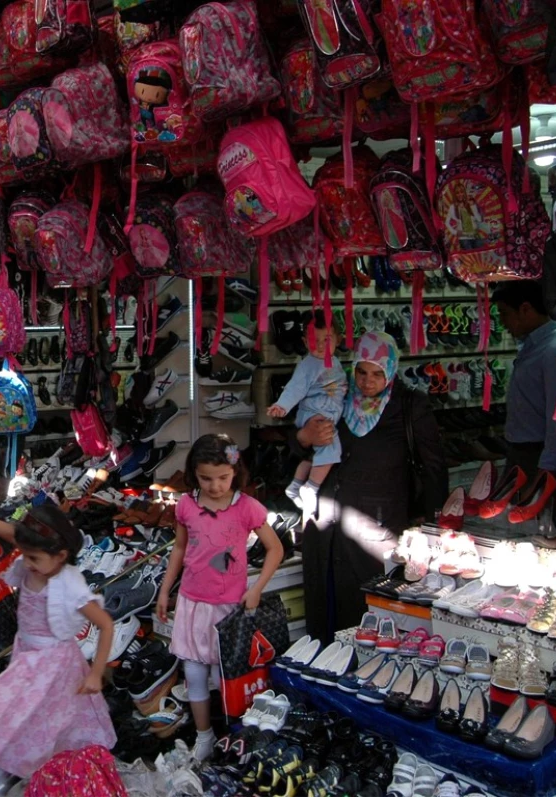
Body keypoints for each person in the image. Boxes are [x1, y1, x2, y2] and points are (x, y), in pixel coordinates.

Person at [0, 501, 117, 794]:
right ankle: (12, 771)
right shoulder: (34, 557)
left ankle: (28, 772)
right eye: (25, 555)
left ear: (61, 556)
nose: (27, 563)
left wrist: (96, 673)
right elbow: (12, 534)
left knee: (35, 718)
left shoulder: (71, 585)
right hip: (26, 655)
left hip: (53, 666)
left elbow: (107, 625)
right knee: (23, 714)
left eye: (34, 558)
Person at [297, 331, 447, 639]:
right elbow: (301, 448)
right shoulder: (335, 397)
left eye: (378, 373)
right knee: (324, 609)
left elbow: (433, 467)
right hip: (325, 525)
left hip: (376, 529)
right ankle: (324, 667)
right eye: (362, 372)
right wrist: (303, 438)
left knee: (369, 610)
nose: (367, 381)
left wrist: (432, 528)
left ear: (391, 370)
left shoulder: (408, 406)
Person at [156, 434, 284, 762]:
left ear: (235, 471)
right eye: (206, 479)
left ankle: (236, 738)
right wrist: (164, 589)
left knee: (225, 678)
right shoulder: (186, 505)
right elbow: (180, 549)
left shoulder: (247, 507)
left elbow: (276, 549)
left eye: (223, 478)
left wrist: (256, 589)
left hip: (230, 610)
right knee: (195, 676)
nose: (215, 486)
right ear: (193, 474)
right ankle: (204, 736)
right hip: (191, 603)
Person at [493, 280, 556, 533]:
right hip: (527, 455)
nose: (501, 322)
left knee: (544, 535)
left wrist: (545, 474)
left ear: (525, 309)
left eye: (505, 313)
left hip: (543, 459)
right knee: (521, 532)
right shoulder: (538, 347)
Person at [266, 310, 346, 512]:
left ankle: (294, 486)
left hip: (324, 410)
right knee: (331, 447)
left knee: (313, 456)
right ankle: (311, 487)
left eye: (326, 340)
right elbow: (296, 387)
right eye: (313, 339)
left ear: (338, 339)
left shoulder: (331, 362)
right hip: (317, 413)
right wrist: (282, 405)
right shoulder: (309, 364)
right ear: (304, 340)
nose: (320, 345)